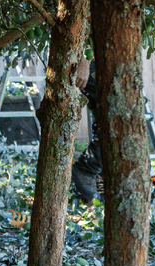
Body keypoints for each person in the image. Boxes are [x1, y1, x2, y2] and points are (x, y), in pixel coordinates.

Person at [71, 57, 104, 203]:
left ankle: (102, 184)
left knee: (108, 121)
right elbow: (84, 33)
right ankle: (86, 169)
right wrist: (84, 61)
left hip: (103, 62)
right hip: (91, 63)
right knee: (114, 120)